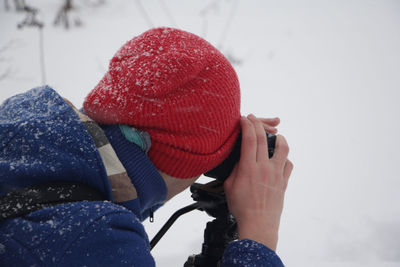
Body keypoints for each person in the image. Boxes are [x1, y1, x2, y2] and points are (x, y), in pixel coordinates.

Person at [0, 27, 293, 266]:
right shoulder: (99, 243)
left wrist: (213, 126)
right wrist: (258, 237)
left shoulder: (22, 133)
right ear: (182, 161)